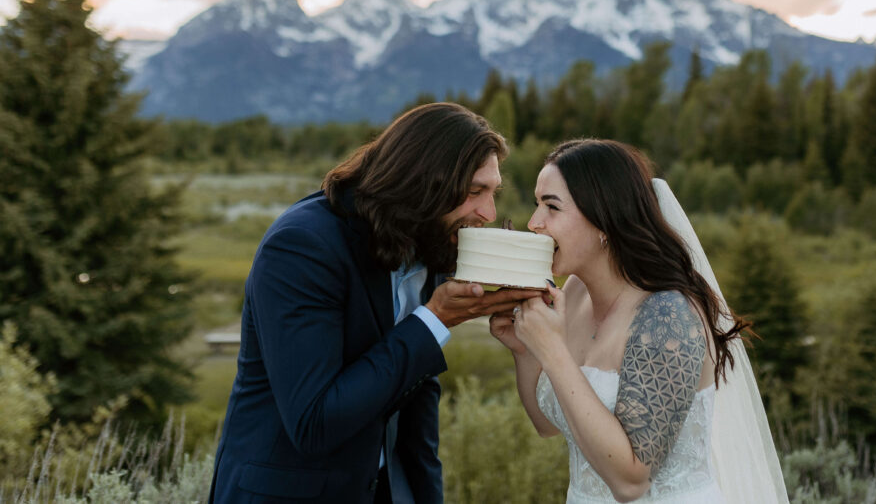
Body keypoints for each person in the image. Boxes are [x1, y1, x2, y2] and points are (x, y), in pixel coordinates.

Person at [209, 102, 541, 504]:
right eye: (474, 192)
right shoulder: (303, 246)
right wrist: (434, 320)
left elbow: (416, 408)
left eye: (493, 192)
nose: (488, 213)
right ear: (421, 183)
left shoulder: (428, 241)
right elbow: (315, 423)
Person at [490, 139, 788, 503]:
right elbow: (549, 424)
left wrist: (551, 350)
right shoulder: (576, 292)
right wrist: (525, 352)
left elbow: (631, 482)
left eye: (551, 206)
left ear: (605, 218)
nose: (534, 223)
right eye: (537, 205)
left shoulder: (668, 316)